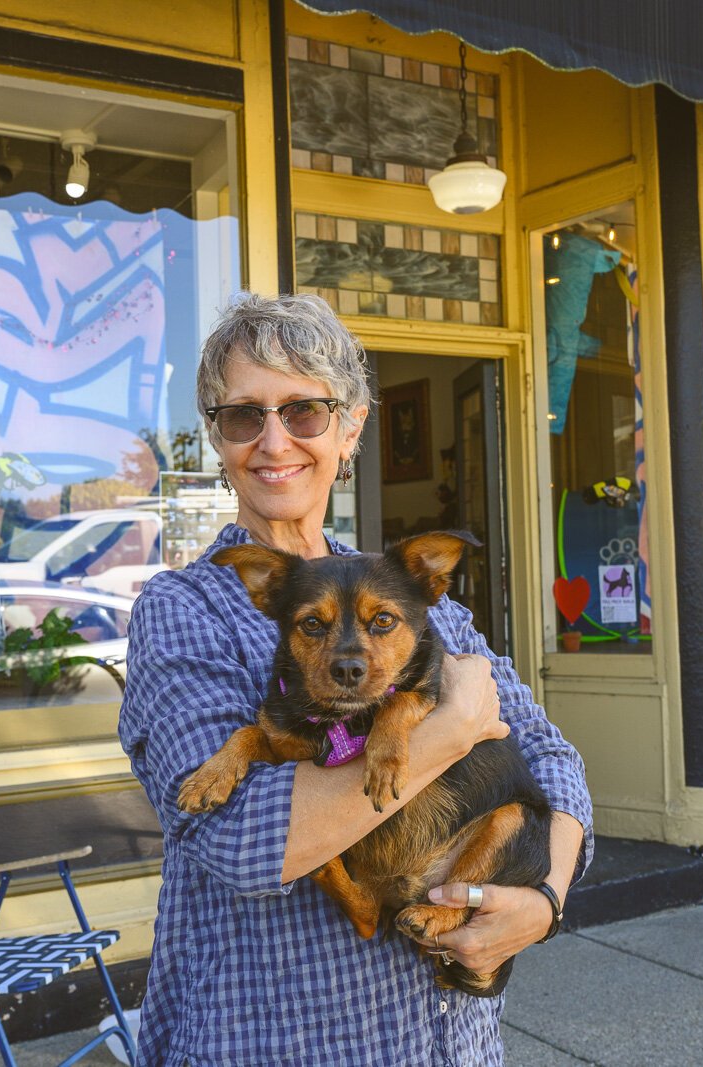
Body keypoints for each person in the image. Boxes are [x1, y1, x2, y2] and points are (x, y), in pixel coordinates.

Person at [118, 293, 593, 1065]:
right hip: (275, 1042)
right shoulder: (184, 608)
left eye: (304, 411)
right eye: (244, 416)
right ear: (217, 436)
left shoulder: (400, 598)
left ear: (352, 428)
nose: (274, 440)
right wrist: (448, 726)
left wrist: (542, 902)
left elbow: (555, 763)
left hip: (449, 1041)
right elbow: (239, 840)